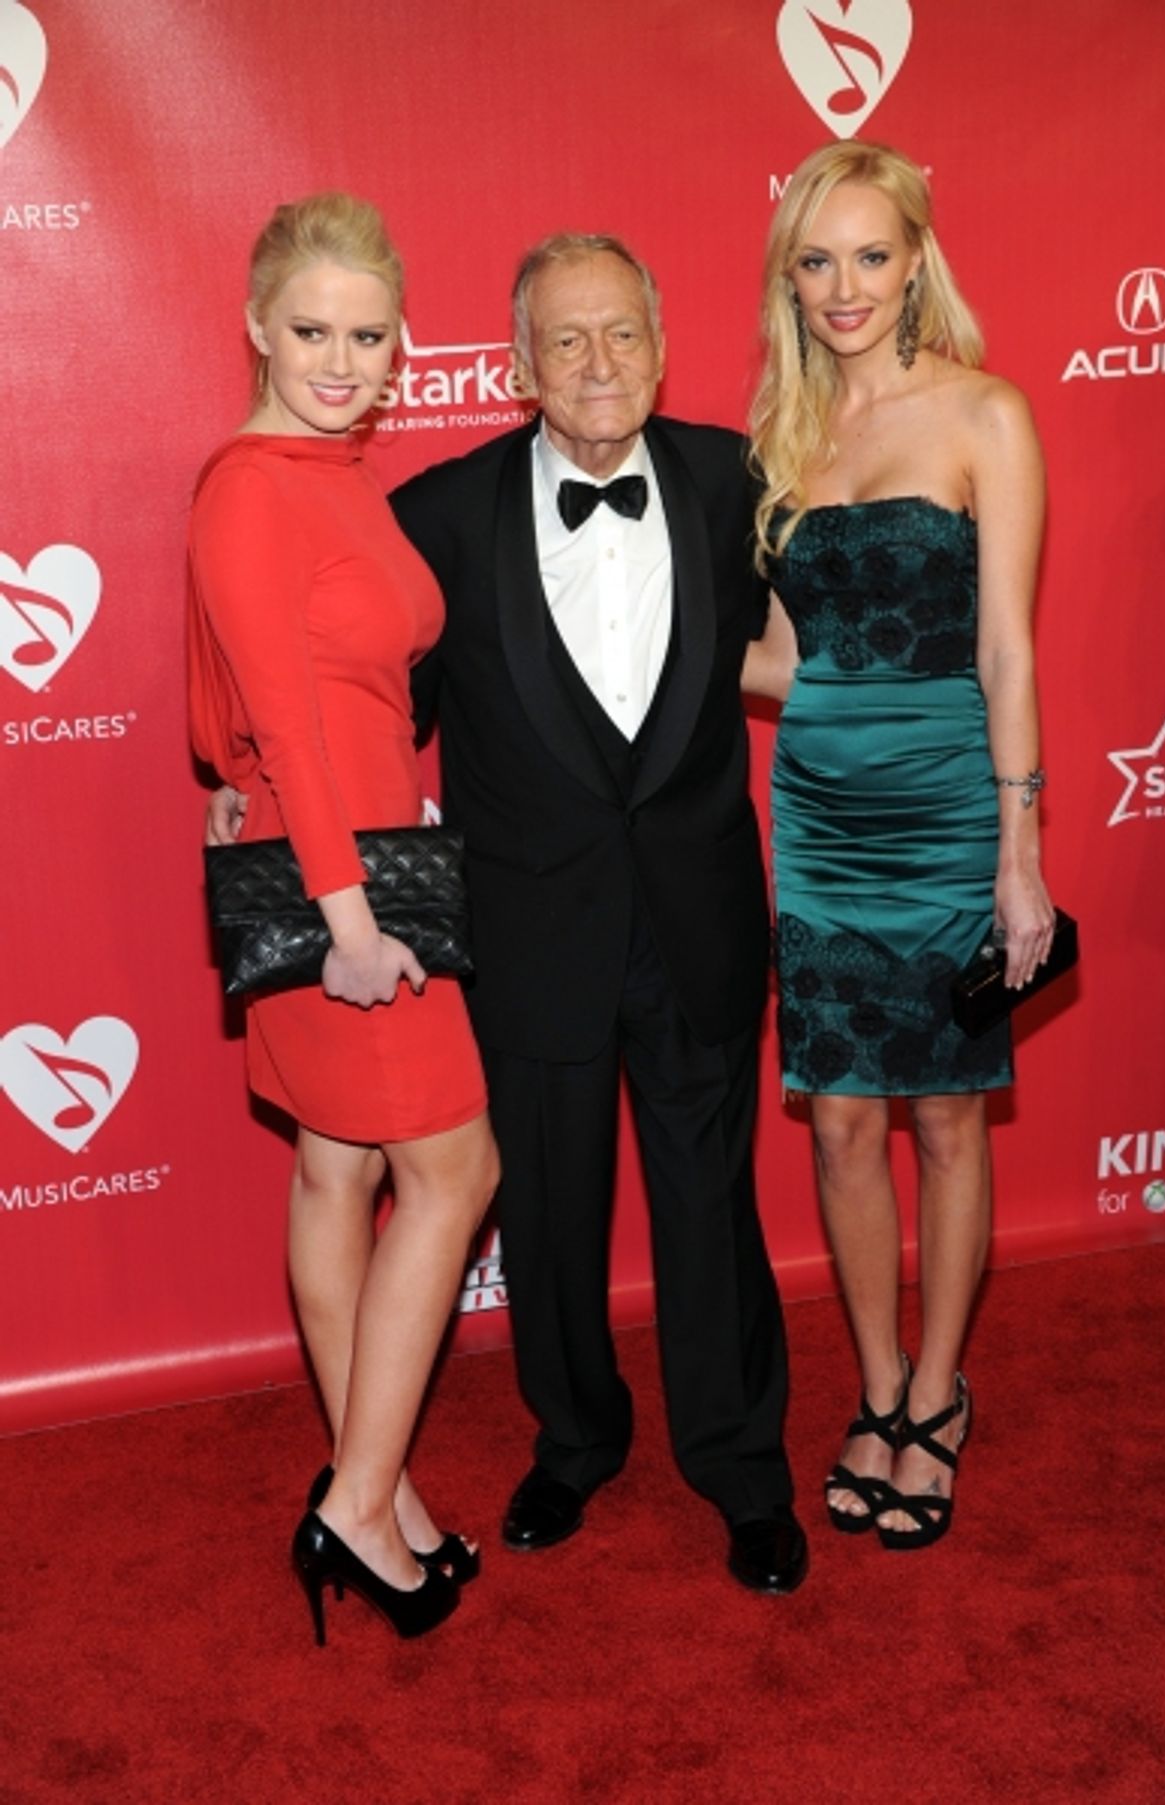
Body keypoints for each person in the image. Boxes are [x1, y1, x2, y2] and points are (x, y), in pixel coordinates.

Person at [392, 234, 804, 1592]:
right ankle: (573, 1441)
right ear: (518, 363)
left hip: (695, 917)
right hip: (529, 928)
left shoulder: (733, 476)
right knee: (552, 1216)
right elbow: (365, 709)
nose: (597, 363)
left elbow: (819, 655)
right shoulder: (437, 516)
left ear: (662, 341)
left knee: (710, 1206)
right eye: (565, 340)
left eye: (621, 333)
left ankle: (742, 1465)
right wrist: (248, 782)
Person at [188, 192, 498, 1645]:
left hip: (352, 853)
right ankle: (361, 1504)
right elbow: (284, 720)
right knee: (455, 1165)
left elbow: (232, 710)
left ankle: (375, 1482)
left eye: (368, 334)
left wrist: (226, 783)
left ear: (400, 345)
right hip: (346, 883)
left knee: (337, 1172)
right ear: (255, 323)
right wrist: (344, 914)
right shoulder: (255, 483)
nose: (341, 357)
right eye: (312, 329)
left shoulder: (330, 472)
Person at [743, 142, 1056, 1548]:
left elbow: (1004, 648)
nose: (844, 286)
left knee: (944, 1111)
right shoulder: (780, 441)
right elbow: (786, 658)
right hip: (815, 816)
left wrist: (1020, 847)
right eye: (817, 261)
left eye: (871, 255)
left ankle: (938, 1393)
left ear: (918, 257)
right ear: (789, 280)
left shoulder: (986, 415)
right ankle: (874, 1383)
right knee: (844, 1116)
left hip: (948, 817)